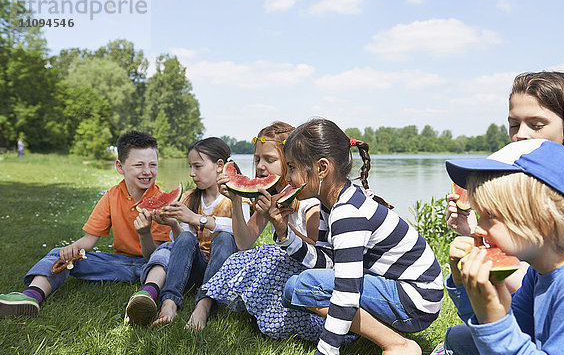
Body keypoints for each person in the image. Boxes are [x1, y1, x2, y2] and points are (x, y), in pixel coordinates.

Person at [269, 118, 444, 355]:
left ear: (321, 168)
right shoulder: (335, 203)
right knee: (296, 287)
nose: (288, 177)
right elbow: (327, 262)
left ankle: (398, 346)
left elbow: (346, 292)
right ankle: (387, 337)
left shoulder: (348, 212)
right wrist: (284, 233)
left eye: (293, 167)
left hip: (416, 300)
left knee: (305, 285)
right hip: (405, 291)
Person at [442, 139, 564, 355]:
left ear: (544, 218)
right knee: (458, 339)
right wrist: (464, 284)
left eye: (490, 217)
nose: (478, 229)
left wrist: (496, 323)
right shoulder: (541, 271)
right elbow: (515, 329)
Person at [0, 131, 171, 317]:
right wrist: (72, 249)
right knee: (59, 253)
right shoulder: (111, 196)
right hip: (118, 264)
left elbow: (155, 256)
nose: (147, 171)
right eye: (139, 165)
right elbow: (90, 240)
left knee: (166, 253)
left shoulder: (162, 201)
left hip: (152, 268)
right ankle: (32, 296)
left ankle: (147, 295)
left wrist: (144, 233)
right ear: (120, 167)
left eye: (153, 165)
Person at [202, 121, 326, 342]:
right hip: (287, 278)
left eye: (270, 160)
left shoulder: (310, 202)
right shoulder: (269, 197)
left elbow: (319, 252)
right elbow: (244, 243)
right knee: (241, 259)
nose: (260, 166)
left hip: (309, 278)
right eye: (257, 159)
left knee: (270, 255)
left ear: (290, 162)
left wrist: (281, 226)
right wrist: (236, 199)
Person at [447, 71, 564, 247]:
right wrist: (476, 230)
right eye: (514, 125)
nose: (520, 135)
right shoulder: (523, 173)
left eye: (536, 125)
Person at [126, 137, 251, 329]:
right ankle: (169, 303)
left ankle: (203, 306)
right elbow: (182, 244)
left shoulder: (236, 197)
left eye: (198, 166)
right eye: (190, 167)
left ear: (219, 166)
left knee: (225, 238)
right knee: (183, 237)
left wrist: (197, 218)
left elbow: (242, 233)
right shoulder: (189, 197)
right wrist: (175, 225)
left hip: (226, 272)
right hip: (195, 269)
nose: (192, 173)